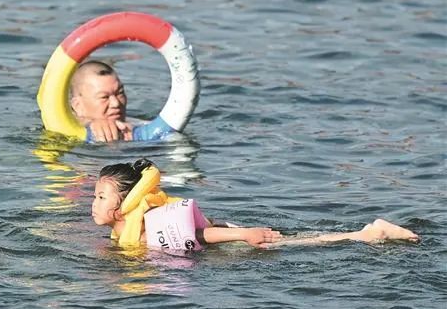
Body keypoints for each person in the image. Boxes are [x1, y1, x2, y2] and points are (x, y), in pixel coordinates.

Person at [91, 158, 419, 251]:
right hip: (229, 240)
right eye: (96, 196)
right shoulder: (130, 229)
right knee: (301, 240)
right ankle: (367, 233)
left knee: (304, 243)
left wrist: (245, 234)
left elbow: (201, 236)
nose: (94, 203)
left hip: (234, 244)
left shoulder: (145, 231)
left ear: (125, 204)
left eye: (102, 197)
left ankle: (369, 234)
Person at [70, 61, 133, 142]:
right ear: (78, 106)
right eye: (104, 97)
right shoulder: (62, 131)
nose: (116, 103)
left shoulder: (137, 125)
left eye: (120, 93)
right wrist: (88, 123)